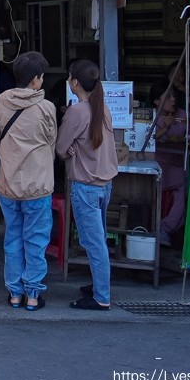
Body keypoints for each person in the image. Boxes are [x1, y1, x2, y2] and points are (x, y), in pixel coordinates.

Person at [0, 52, 57, 311]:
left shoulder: (0, 105)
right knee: (36, 240)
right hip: (39, 186)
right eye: (41, 76)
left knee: (13, 239)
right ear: (35, 80)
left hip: (7, 185)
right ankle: (33, 295)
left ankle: (14, 294)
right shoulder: (46, 108)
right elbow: (51, 143)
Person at [56, 60, 118, 311]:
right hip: (105, 183)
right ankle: (98, 286)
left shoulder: (76, 112)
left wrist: (70, 150)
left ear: (75, 83)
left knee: (93, 242)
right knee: (98, 239)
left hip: (85, 185)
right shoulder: (103, 108)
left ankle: (101, 296)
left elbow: (60, 148)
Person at [150, 83, 190, 246]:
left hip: (180, 162)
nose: (173, 100)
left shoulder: (182, 115)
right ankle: (163, 229)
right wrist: (165, 126)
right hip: (160, 163)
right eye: (167, 97)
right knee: (186, 184)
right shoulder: (152, 117)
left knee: (187, 190)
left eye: (173, 96)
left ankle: (165, 229)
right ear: (156, 102)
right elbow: (147, 139)